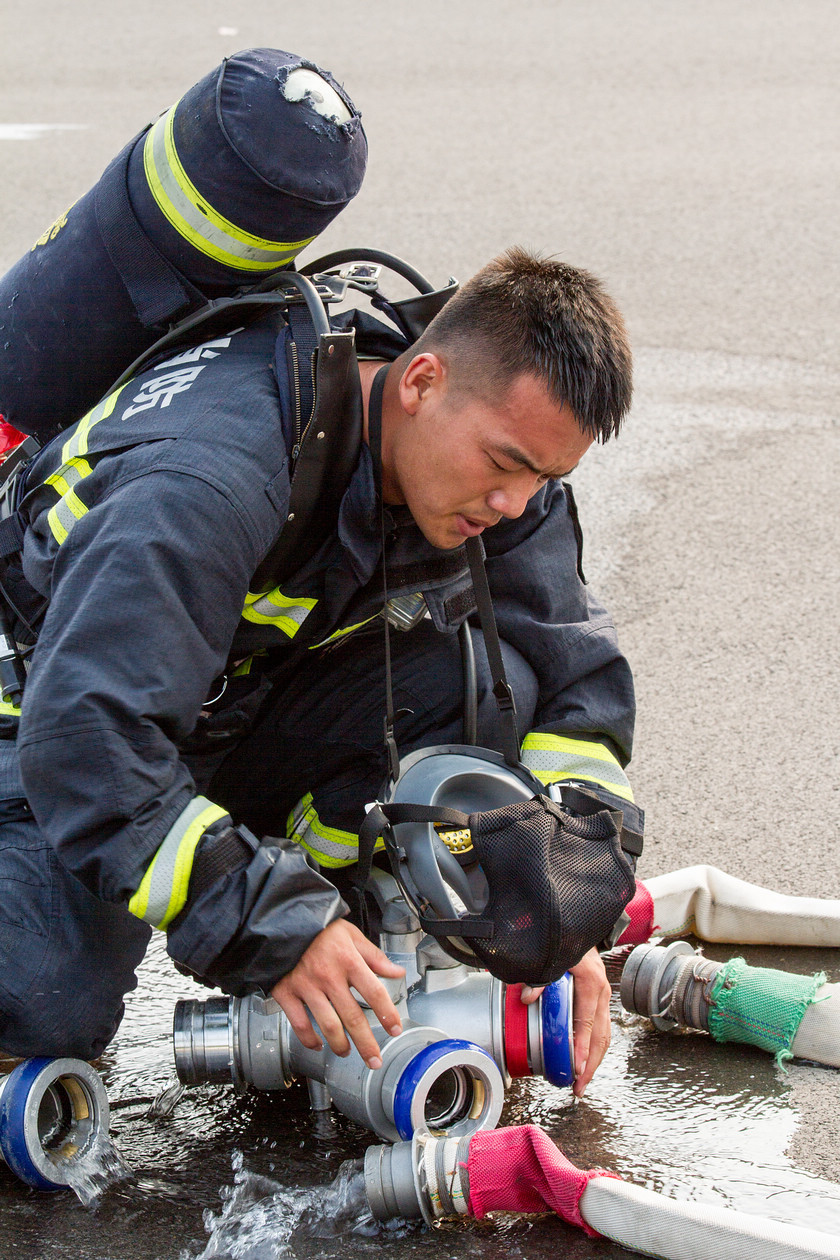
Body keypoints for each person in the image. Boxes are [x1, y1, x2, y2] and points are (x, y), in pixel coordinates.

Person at [0, 246, 635, 1098]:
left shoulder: (490, 461)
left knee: (491, 676)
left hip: (216, 706)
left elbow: (572, 681)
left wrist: (556, 905)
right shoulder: (212, 478)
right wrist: (276, 925)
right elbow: (85, 738)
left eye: (547, 478)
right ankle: (281, 922)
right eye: (507, 466)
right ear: (421, 382)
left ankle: (359, 915)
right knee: (46, 1001)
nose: (515, 505)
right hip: (46, 728)